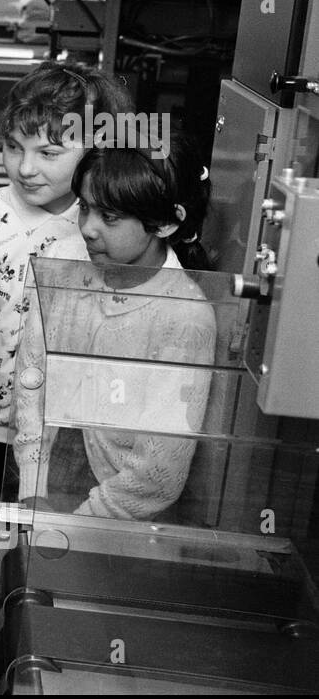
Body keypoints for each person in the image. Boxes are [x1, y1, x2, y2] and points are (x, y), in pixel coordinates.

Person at [12, 138, 217, 520]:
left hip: (115, 510)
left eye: (109, 217)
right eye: (85, 208)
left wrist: (83, 523)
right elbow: (32, 374)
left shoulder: (185, 316)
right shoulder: (61, 262)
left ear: (167, 222)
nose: (88, 228)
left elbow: (161, 469)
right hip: (40, 479)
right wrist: (31, 487)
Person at [0, 61, 134, 500]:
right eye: (14, 147)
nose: (25, 168)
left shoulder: (98, 229)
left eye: (49, 154)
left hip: (64, 439)